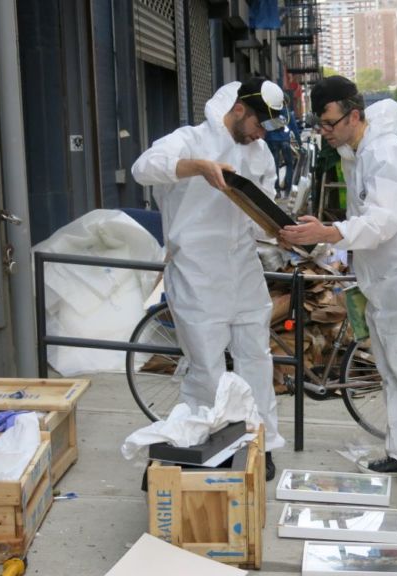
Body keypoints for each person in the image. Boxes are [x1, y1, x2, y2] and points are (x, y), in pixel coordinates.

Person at [279, 76, 397, 486]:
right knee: (393, 368)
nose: (324, 131)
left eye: (330, 122)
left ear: (354, 115)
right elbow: (369, 222)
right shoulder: (359, 154)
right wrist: (331, 234)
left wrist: (329, 233)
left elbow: (383, 221)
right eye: (321, 123)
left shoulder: (385, 153)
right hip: (389, 279)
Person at [131, 77, 287, 481]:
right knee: (206, 366)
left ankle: (260, 441)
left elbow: (263, 208)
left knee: (256, 357)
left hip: (243, 266)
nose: (260, 134)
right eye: (258, 124)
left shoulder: (260, 153)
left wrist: (281, 229)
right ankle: (205, 446)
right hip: (198, 271)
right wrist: (198, 168)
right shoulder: (188, 140)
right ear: (239, 110)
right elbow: (143, 169)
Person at [265, 106, 302, 197]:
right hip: (285, 141)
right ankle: (287, 187)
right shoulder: (288, 113)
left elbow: (265, 127)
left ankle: (276, 190)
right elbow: (295, 129)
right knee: (289, 163)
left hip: (272, 140)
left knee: (275, 165)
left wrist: (265, 140)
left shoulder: (269, 112)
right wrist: (300, 144)